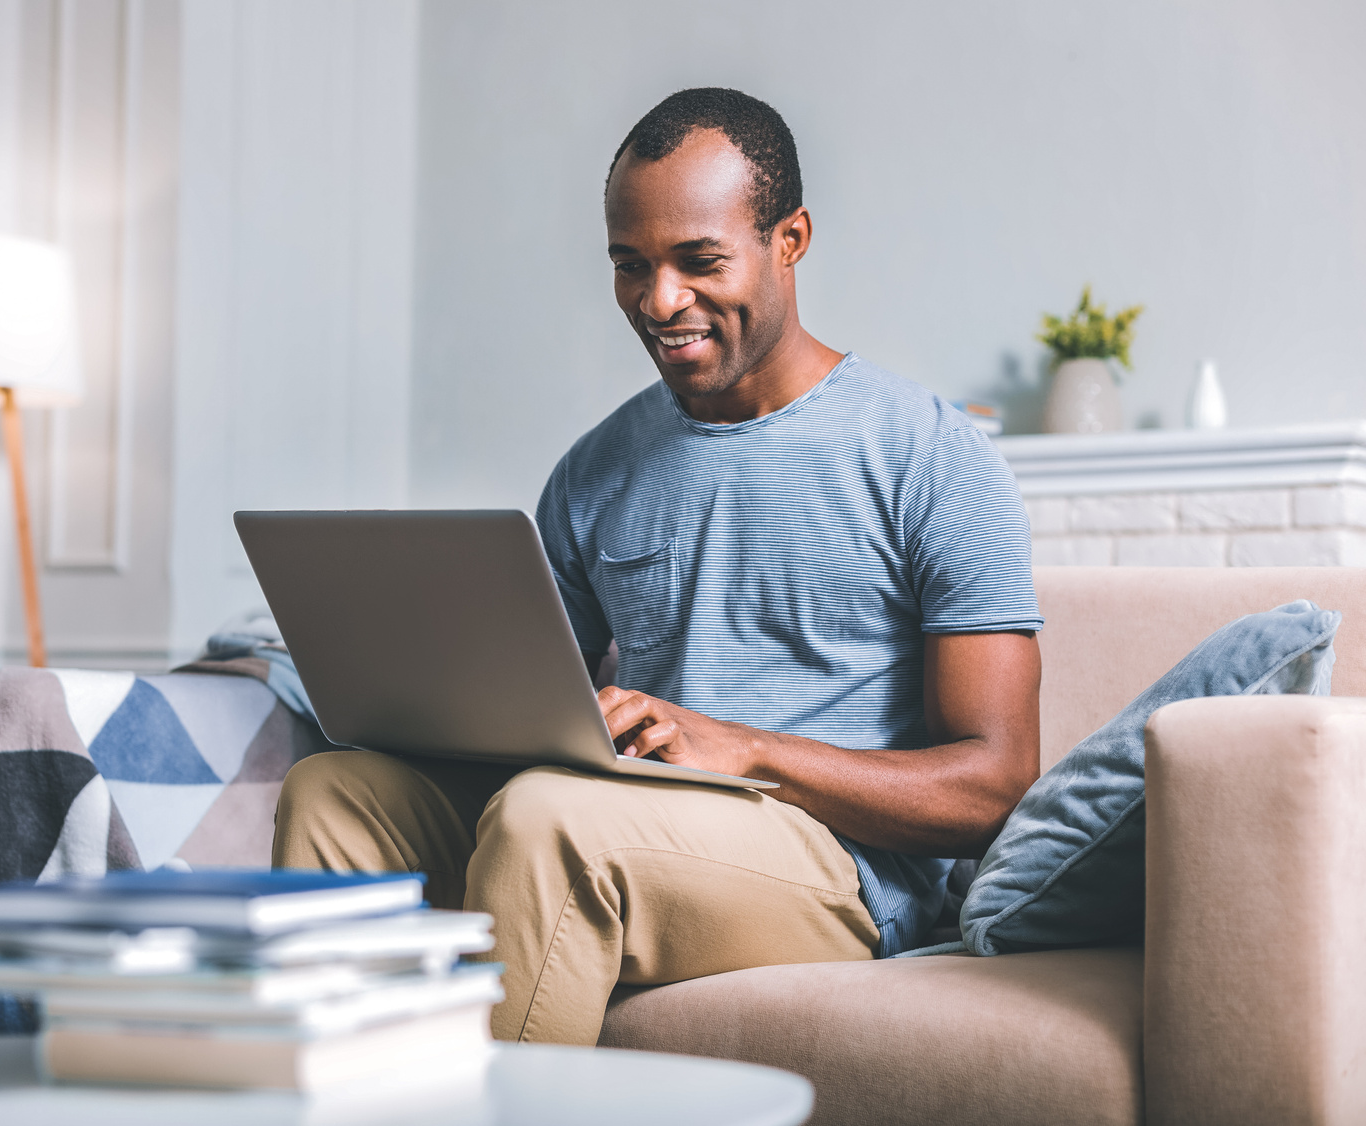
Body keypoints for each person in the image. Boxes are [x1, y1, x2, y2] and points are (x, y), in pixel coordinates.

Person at [272, 87, 1043, 1046]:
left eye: (698, 261)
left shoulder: (928, 452)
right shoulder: (594, 471)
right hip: (625, 816)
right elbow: (524, 716)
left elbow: (995, 784)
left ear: (789, 240)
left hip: (834, 871)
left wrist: (748, 748)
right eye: (630, 265)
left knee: (548, 822)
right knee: (333, 794)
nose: (658, 300)